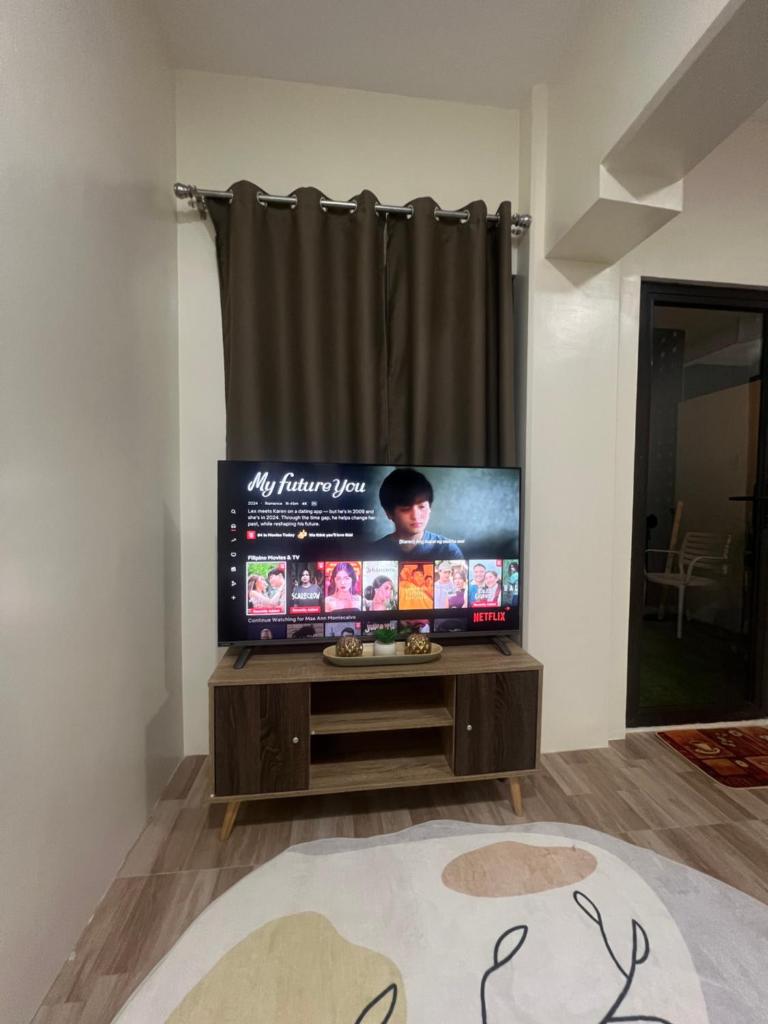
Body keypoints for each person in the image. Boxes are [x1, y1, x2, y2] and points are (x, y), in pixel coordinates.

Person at [373, 468, 463, 559]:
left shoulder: (448, 550)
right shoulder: (374, 551)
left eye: (422, 507)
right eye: (406, 509)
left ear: (429, 508)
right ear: (389, 513)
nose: (416, 516)